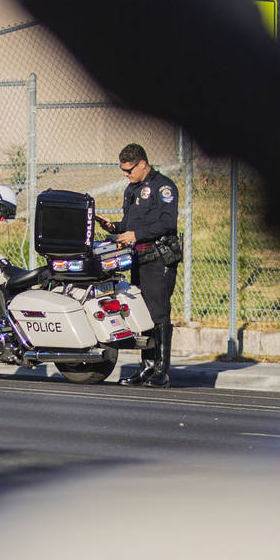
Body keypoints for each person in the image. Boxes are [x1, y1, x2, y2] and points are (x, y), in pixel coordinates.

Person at [96, 143, 180, 387]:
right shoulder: (132, 189)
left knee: (159, 312)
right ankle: (146, 366)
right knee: (142, 315)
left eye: (129, 169)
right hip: (139, 257)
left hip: (158, 257)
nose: (126, 174)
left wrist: (136, 234)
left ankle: (162, 370)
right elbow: (131, 223)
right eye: (122, 170)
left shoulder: (163, 187)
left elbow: (166, 223)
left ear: (143, 164)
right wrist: (115, 227)